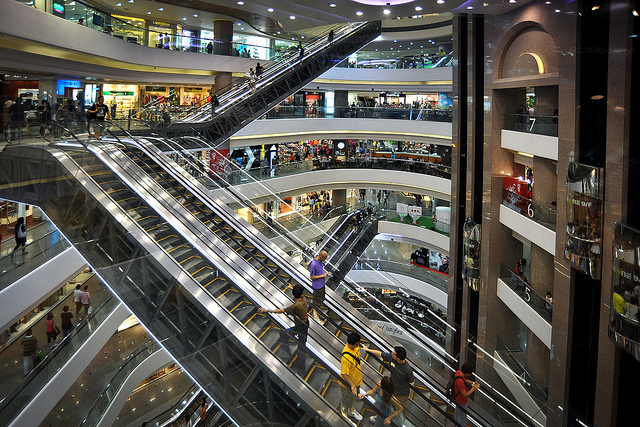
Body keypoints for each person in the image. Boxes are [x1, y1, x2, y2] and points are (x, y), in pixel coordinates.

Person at [259, 284, 309, 367]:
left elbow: (282, 310)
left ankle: (288, 354)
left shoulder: (295, 306)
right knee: (302, 344)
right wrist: (292, 288)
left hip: (300, 326)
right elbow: (300, 293)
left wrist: (267, 310)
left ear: (293, 294)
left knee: (283, 334)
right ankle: (301, 364)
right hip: (305, 324)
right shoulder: (304, 299)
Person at [360, 345, 414, 419]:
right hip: (391, 388)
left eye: (394, 353)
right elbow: (380, 354)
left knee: (400, 410)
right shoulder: (392, 357)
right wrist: (367, 350)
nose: (392, 354)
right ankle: (381, 416)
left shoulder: (407, 370)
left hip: (401, 393)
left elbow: (411, 380)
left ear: (398, 358)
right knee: (386, 403)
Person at [340, 332, 363, 424]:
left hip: (357, 378)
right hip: (347, 384)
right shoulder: (345, 358)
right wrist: (352, 386)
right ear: (350, 344)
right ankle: (345, 417)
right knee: (346, 401)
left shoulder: (356, 347)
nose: (358, 346)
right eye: (356, 344)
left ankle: (351, 410)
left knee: (353, 397)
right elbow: (344, 374)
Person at [309, 250, 329, 320]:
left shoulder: (320, 262)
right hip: (317, 287)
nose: (324, 260)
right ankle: (315, 317)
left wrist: (325, 274)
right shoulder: (314, 264)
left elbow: (319, 272)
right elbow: (312, 277)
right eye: (324, 258)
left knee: (321, 300)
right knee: (316, 303)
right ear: (320, 257)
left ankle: (319, 313)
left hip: (322, 285)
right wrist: (322, 276)